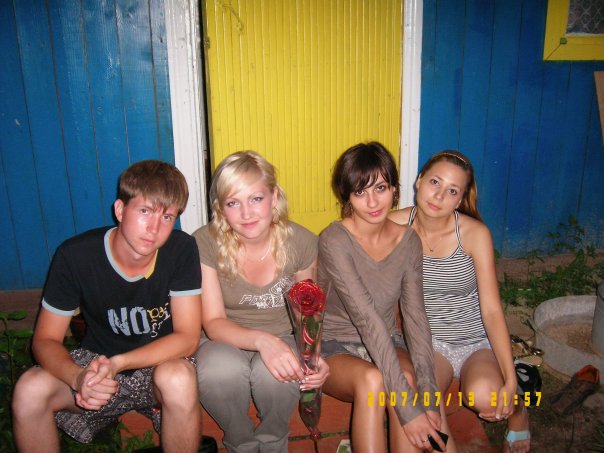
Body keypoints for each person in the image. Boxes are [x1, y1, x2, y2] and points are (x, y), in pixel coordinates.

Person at [12, 160, 203, 453]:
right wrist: (78, 377)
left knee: (178, 378)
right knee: (29, 389)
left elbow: (188, 338)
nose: (154, 228)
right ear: (120, 210)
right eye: (145, 211)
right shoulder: (75, 256)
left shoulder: (181, 249)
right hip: (96, 362)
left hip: (159, 363)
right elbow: (45, 339)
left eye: (167, 216)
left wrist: (119, 363)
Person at [389, 150, 529, 453]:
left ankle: (519, 411)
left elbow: (492, 310)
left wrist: (510, 380)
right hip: (428, 346)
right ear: (419, 180)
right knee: (420, 402)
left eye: (452, 191)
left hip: (475, 342)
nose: (439, 196)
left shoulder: (474, 234)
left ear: (461, 199)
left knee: (484, 396)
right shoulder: (394, 225)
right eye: (435, 182)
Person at [192, 151, 329, 453]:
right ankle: (240, 443)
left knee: (276, 374)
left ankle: (273, 444)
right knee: (218, 370)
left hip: (283, 334)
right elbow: (213, 322)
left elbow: (308, 317)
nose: (246, 213)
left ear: (274, 196)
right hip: (224, 338)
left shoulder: (302, 242)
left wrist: (315, 358)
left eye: (255, 199)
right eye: (233, 203)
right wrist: (263, 341)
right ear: (220, 207)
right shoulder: (205, 242)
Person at [318, 142, 445, 452]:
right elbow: (365, 317)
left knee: (407, 379)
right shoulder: (334, 240)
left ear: (394, 189)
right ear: (347, 196)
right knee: (373, 381)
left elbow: (415, 318)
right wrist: (409, 410)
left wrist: (428, 398)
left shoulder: (408, 241)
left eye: (380, 188)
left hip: (387, 338)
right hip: (335, 344)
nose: (372, 202)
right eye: (360, 192)